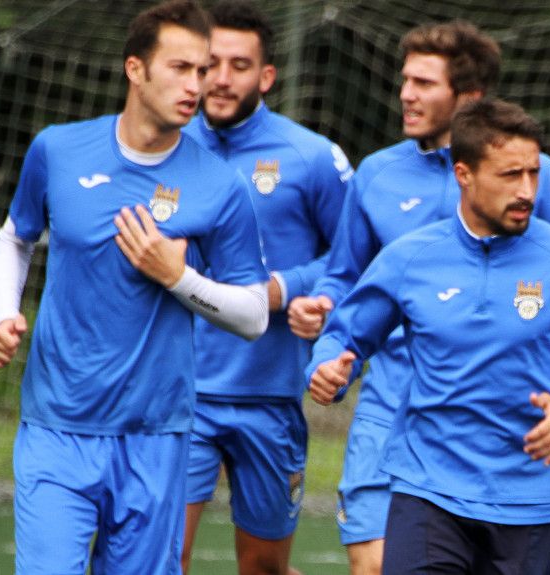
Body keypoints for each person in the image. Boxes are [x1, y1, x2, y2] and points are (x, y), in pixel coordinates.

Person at [285, 20, 550, 575]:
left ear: (468, 97)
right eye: (404, 79)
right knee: (372, 565)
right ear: (466, 175)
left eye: (424, 82)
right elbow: (346, 286)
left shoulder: (538, 192)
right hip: (400, 413)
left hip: (516, 448)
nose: (407, 94)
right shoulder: (380, 178)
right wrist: (326, 339)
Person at [0, 0, 270, 572]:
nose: (198, 85)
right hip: (56, 428)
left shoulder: (220, 185)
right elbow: (15, 238)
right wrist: (1, 314)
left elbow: (254, 315)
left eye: (203, 69)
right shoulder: (58, 151)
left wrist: (179, 278)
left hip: (156, 436)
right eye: (181, 68)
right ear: (135, 69)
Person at [176, 1, 352, 573]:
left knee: (264, 569)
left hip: (271, 396)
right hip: (179, 394)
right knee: (158, 557)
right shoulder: (164, 148)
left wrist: (289, 289)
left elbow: (351, 261)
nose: (222, 79)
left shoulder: (313, 157)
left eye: (239, 65)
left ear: (266, 76)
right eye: (211, 64)